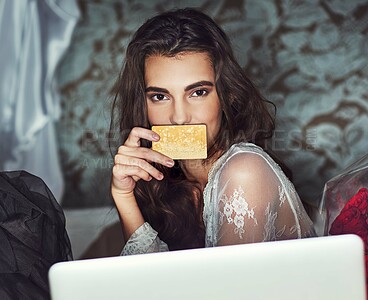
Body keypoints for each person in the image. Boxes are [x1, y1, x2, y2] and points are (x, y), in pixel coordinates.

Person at [110, 8, 315, 255]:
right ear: (143, 105)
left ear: (227, 95)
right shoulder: (169, 187)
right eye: (160, 96)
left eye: (198, 92)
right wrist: (123, 196)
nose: (179, 117)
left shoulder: (245, 171)